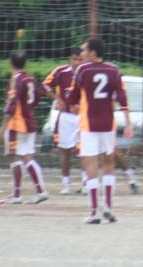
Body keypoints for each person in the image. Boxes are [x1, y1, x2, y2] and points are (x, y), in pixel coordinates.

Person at [67, 38, 133, 224]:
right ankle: (108, 206)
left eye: (84, 50)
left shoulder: (82, 70)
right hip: (108, 124)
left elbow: (72, 96)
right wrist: (128, 123)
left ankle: (95, 211)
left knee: (90, 165)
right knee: (109, 163)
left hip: (89, 125)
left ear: (93, 52)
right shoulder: (114, 70)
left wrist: (73, 104)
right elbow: (122, 97)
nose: (82, 53)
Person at [0, 51, 48, 205]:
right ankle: (34, 191)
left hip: (16, 124)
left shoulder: (16, 80)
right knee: (26, 156)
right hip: (30, 122)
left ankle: (24, 193)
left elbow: (11, 103)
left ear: (10, 63)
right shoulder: (30, 78)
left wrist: (3, 125)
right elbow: (37, 98)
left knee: (16, 157)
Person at [42, 47, 83, 195]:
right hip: (65, 117)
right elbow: (45, 85)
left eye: (80, 59)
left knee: (83, 151)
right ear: (69, 59)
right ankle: (66, 185)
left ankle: (86, 183)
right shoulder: (60, 72)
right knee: (65, 152)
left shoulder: (87, 73)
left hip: (82, 118)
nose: (77, 62)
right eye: (74, 59)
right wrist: (57, 99)